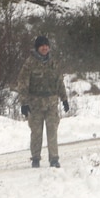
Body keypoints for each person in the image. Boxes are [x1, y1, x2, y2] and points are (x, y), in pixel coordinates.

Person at [16, 35, 69, 168]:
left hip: (51, 103)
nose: (45, 48)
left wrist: (64, 99)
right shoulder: (30, 63)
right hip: (35, 105)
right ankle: (35, 159)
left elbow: (59, 82)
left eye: (47, 45)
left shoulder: (54, 63)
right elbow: (22, 84)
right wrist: (24, 102)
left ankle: (54, 159)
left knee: (52, 131)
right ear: (37, 47)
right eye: (42, 45)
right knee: (36, 133)